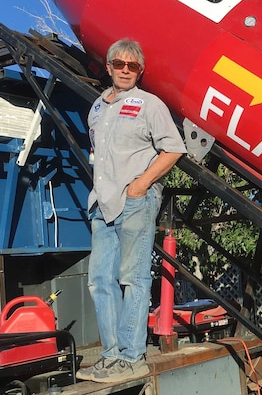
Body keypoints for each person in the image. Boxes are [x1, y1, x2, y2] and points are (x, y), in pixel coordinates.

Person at [77, 39, 186, 383]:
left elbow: (173, 149)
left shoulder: (150, 104)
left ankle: (132, 356)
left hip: (136, 201)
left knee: (132, 278)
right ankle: (110, 356)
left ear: (140, 71)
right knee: (100, 281)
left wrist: (140, 185)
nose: (125, 70)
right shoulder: (96, 108)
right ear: (107, 67)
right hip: (102, 204)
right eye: (119, 64)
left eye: (132, 66)